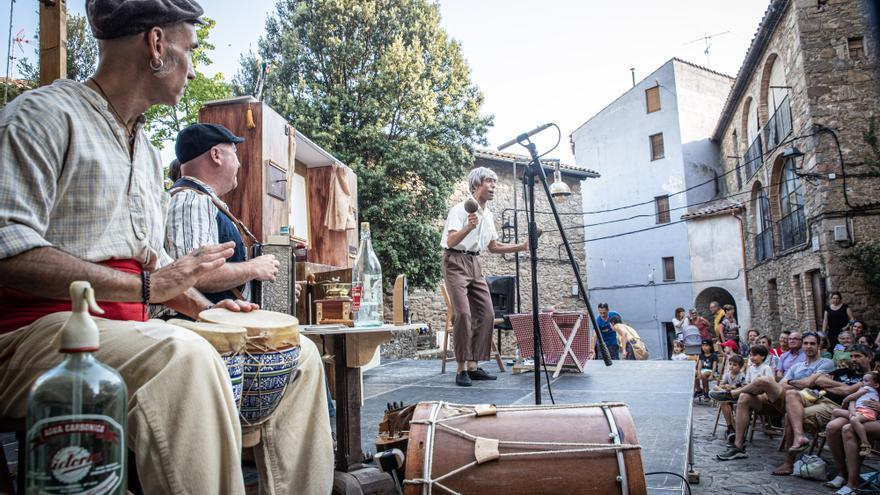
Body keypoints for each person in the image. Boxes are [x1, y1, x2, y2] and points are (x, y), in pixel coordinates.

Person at [0, 1, 314, 492]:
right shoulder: (40, 116)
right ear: (156, 45)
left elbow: (159, 271)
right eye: (188, 48)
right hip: (36, 336)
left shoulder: (146, 153)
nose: (190, 66)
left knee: (299, 356)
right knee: (183, 358)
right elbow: (10, 252)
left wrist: (204, 308)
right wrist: (150, 286)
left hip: (131, 330)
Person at [164, 123, 332, 490]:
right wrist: (253, 268)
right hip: (195, 332)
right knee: (302, 356)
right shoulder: (190, 201)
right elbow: (191, 276)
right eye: (235, 151)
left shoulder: (205, 202)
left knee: (304, 353)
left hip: (217, 328)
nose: (239, 162)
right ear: (216, 154)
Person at [442, 167, 529, 387]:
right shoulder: (460, 209)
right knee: (462, 314)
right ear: (476, 185)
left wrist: (523, 246)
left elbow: (494, 246)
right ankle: (461, 368)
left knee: (487, 313)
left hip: (475, 262)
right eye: (489, 181)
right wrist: (468, 227)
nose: (493, 186)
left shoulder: (488, 215)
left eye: (495, 182)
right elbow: (451, 241)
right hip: (454, 261)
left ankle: (473, 365)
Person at [712, 332, 834, 460]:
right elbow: (782, 384)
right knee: (744, 398)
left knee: (765, 380)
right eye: (806, 343)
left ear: (819, 345)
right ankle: (738, 447)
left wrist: (793, 382)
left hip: (805, 400)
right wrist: (799, 382)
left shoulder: (826, 363)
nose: (808, 346)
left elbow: (808, 384)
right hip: (782, 397)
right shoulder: (797, 366)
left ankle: (732, 394)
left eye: (812, 343)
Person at [772, 344, 872, 475]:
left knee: (789, 417)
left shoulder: (870, 378)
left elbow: (846, 391)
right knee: (791, 394)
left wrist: (834, 386)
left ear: (869, 358)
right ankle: (799, 436)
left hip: (835, 406)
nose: (853, 359)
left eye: (858, 356)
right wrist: (841, 387)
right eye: (851, 356)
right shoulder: (843, 372)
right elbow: (818, 380)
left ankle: (789, 462)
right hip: (818, 397)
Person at [834, 372, 880, 456]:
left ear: (876, 385)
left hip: (867, 413)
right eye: (862, 380)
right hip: (858, 411)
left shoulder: (867, 388)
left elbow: (852, 396)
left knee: (853, 420)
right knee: (836, 412)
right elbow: (853, 400)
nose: (863, 383)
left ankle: (865, 443)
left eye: (866, 381)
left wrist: (845, 400)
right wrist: (852, 410)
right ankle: (826, 432)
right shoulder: (865, 388)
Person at [715, 353, 746, 443]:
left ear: (740, 367)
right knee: (723, 401)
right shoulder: (727, 375)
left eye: (735, 365)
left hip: (737, 397)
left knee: (729, 399)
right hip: (727, 396)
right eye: (730, 364)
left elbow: (743, 387)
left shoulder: (741, 376)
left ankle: (737, 429)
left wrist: (732, 387)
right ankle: (730, 428)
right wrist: (725, 386)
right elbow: (721, 384)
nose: (732, 366)